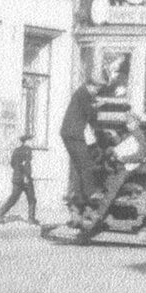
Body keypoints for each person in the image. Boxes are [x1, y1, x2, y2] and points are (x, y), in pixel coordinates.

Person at [61, 76, 104, 228]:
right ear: (90, 85)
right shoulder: (83, 94)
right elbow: (89, 113)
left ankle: (78, 201)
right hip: (74, 134)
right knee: (86, 164)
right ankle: (91, 194)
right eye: (96, 89)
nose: (97, 92)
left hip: (72, 134)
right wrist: (97, 107)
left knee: (79, 167)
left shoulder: (82, 94)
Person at [0, 133, 37, 224]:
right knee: (31, 199)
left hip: (17, 178)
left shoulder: (16, 150)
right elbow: (25, 165)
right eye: (31, 140)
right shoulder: (28, 150)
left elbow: (12, 163)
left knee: (14, 198)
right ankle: (31, 219)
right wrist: (25, 176)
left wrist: (18, 173)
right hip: (25, 179)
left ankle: (1, 213)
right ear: (26, 141)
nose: (32, 142)